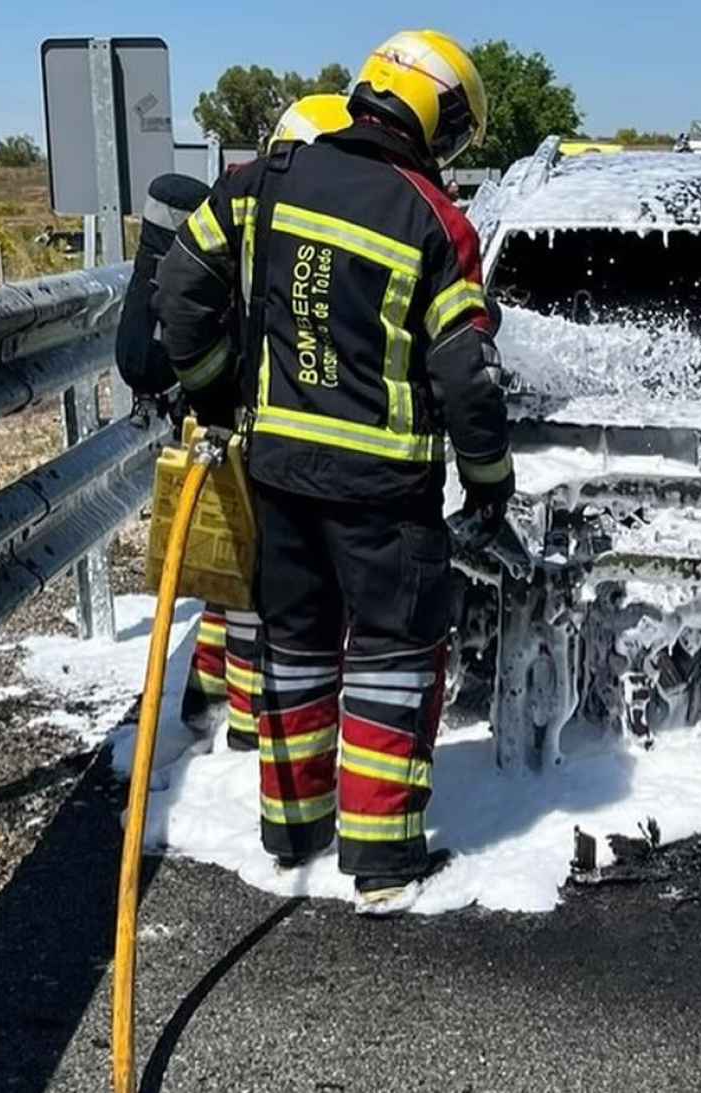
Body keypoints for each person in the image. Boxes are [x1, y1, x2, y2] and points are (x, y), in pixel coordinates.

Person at [154, 29, 513, 914]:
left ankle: (294, 835)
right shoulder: (434, 220)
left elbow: (179, 290)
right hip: (386, 495)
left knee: (295, 651)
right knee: (393, 660)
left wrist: (215, 397)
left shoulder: (264, 181)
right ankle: (384, 862)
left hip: (277, 479)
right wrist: (491, 478)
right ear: (432, 109)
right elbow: (465, 371)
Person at [112, 172, 263, 749]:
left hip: (201, 416)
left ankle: (203, 700)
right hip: (228, 419)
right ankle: (246, 734)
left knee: (228, 576)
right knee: (253, 582)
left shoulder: (231, 215)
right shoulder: (253, 224)